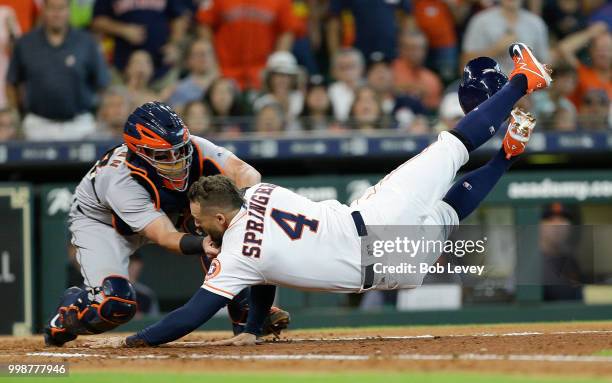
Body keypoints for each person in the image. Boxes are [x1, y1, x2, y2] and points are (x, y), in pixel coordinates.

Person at [88, 43, 553, 348]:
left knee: (449, 206)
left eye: (200, 220)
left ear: (218, 217)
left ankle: (508, 149)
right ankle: (519, 85)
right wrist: (251, 324)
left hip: (398, 269)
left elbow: (188, 316)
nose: (199, 228)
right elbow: (257, 265)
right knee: (452, 146)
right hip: (374, 222)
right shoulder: (262, 192)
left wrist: (134, 340)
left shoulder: (236, 256)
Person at [43, 101, 289, 347]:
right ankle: (68, 313)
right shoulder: (120, 180)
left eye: (179, 150)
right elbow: (165, 237)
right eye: (162, 155)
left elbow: (246, 172)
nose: (176, 160)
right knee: (116, 306)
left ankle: (245, 312)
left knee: (222, 224)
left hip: (166, 209)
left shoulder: (194, 147)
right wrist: (203, 242)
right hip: (103, 223)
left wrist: (245, 204)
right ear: (138, 153)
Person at [7, 0, 110, 141]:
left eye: (61, 8)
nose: (57, 14)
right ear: (43, 11)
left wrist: (98, 116)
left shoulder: (87, 42)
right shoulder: (25, 43)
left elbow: (103, 83)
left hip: (80, 124)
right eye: (52, 9)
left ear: (69, 11)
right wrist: (17, 116)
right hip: (37, 125)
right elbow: (11, 82)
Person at [196, 0, 299, 90]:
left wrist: (275, 67)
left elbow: (287, 30)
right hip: (224, 70)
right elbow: (205, 24)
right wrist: (212, 63)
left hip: (262, 72)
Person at [91, 0, 189, 81]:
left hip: (162, 65)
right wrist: (123, 29)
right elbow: (97, 21)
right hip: (123, 65)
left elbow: (179, 17)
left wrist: (174, 44)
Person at [461, 0, 549, 74]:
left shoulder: (536, 23)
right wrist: (495, 50)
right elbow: (464, 64)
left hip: (527, 88)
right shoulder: (480, 21)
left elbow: (545, 64)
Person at [326, 0, 412, 61]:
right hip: (356, 51)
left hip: (390, 48)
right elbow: (333, 23)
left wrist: (404, 46)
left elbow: (408, 15)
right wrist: (335, 55)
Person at [557, 24, 611, 110]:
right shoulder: (581, 72)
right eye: (598, 49)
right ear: (591, 52)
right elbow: (563, 49)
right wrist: (590, 33)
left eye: (607, 49)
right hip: (581, 122)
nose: (603, 54)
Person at [392, 30, 443, 111]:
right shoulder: (390, 71)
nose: (417, 53)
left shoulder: (432, 79)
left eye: (421, 49)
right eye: (412, 48)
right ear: (401, 49)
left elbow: (433, 109)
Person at [166, 39, 218, 109]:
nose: (205, 56)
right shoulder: (179, 89)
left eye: (209, 52)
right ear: (189, 60)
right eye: (199, 54)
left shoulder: (228, 84)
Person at [328, 48, 365, 122]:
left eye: (351, 66)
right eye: (343, 67)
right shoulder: (329, 92)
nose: (348, 71)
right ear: (334, 71)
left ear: (361, 68)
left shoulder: (370, 89)